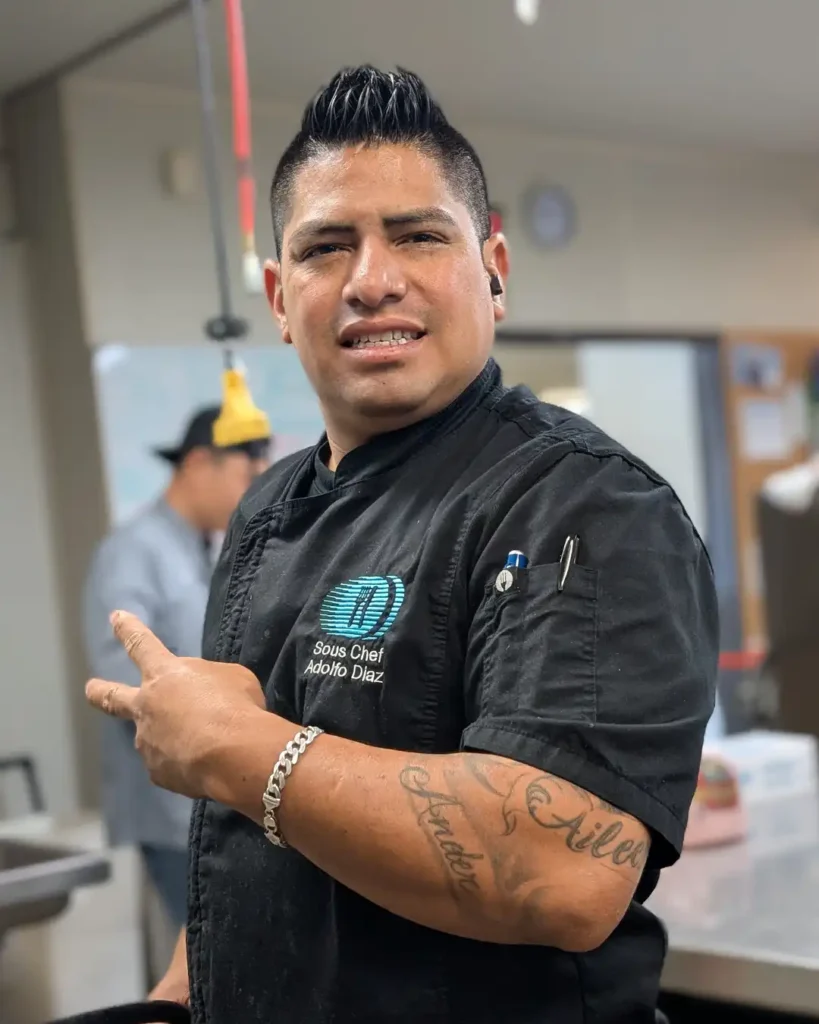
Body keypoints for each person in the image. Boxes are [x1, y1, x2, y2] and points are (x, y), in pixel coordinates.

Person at [86, 66, 718, 1023]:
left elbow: (563, 876)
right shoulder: (265, 510)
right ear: (276, 293)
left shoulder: (583, 504)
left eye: (419, 236)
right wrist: (178, 998)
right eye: (325, 248)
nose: (371, 280)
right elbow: (243, 840)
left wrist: (243, 750)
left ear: (494, 269)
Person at [83, 407, 271, 928]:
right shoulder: (134, 551)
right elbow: (117, 670)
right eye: (247, 475)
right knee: (200, 952)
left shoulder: (205, 549)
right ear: (196, 463)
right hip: (171, 806)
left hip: (218, 794)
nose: (255, 490)